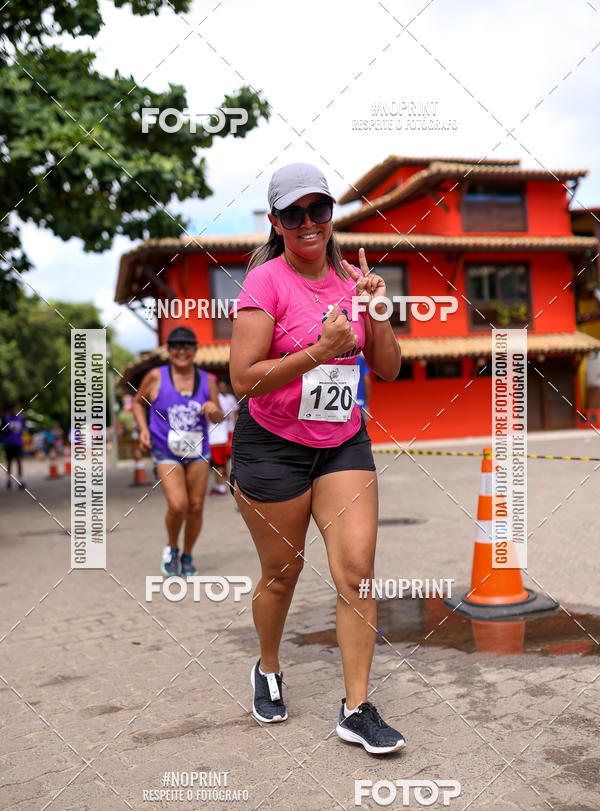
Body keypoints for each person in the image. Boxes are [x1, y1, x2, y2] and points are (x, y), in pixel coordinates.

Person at [228, 162, 405, 754]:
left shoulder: (354, 281)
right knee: (282, 574)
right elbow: (243, 381)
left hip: (342, 443)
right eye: (293, 213)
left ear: (331, 215)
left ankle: (355, 708)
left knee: (356, 571)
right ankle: (269, 667)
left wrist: (376, 310)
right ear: (277, 223)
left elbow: (387, 368)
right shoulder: (266, 284)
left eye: (319, 210)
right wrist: (319, 350)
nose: (308, 223)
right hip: (271, 446)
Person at [133, 326, 224, 576]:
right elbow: (138, 403)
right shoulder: (155, 376)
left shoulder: (208, 380)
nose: (181, 351)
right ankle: (172, 547)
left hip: (199, 451)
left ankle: (187, 554)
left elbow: (218, 416)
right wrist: (142, 429)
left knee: (196, 507)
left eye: (186, 346)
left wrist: (212, 410)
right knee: (178, 505)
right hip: (166, 450)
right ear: (169, 350)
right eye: (176, 346)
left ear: (195, 351)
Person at [208, 380, 238, 495]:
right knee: (221, 462)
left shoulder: (219, 399)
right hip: (220, 435)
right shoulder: (219, 399)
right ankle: (221, 484)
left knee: (219, 462)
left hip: (218, 436)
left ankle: (221, 486)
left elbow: (228, 416)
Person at [2, 404, 26, 489]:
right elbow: (2, 430)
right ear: (10, 410)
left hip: (18, 443)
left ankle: (21, 480)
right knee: (9, 462)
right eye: (13, 409)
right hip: (8, 443)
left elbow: (22, 429)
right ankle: (9, 480)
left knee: (19, 460)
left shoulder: (20, 418)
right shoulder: (5, 418)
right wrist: (8, 429)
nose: (14, 411)